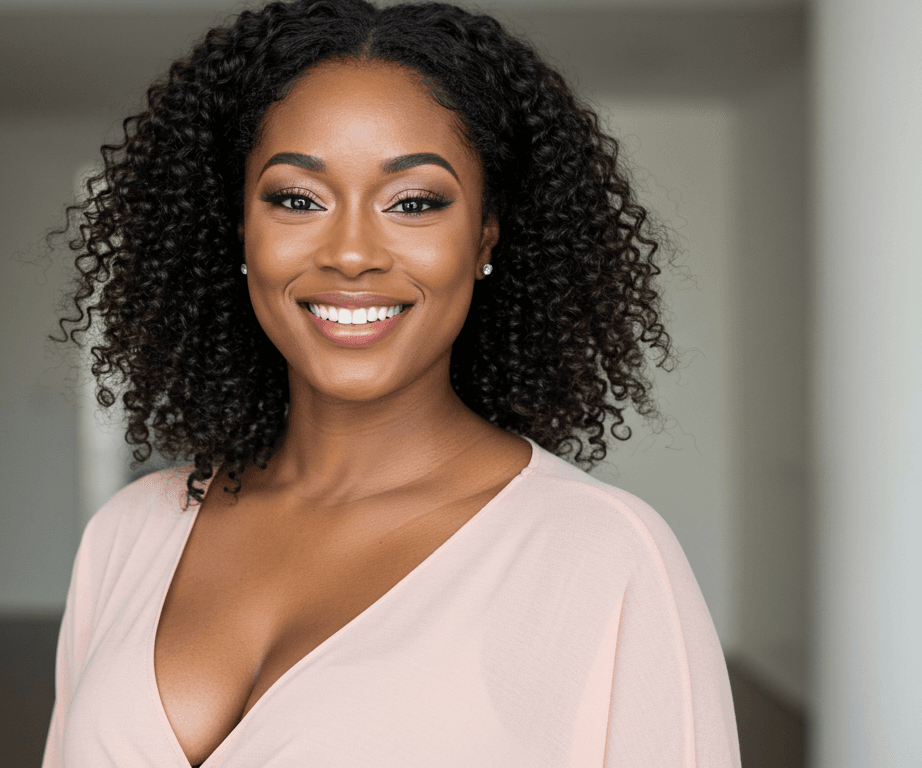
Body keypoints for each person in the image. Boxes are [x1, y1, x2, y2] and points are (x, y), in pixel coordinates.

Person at [45, 1, 740, 765]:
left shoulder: (601, 554)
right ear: (240, 228)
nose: (351, 253)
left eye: (414, 202)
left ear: (484, 236)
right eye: (297, 199)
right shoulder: (129, 533)